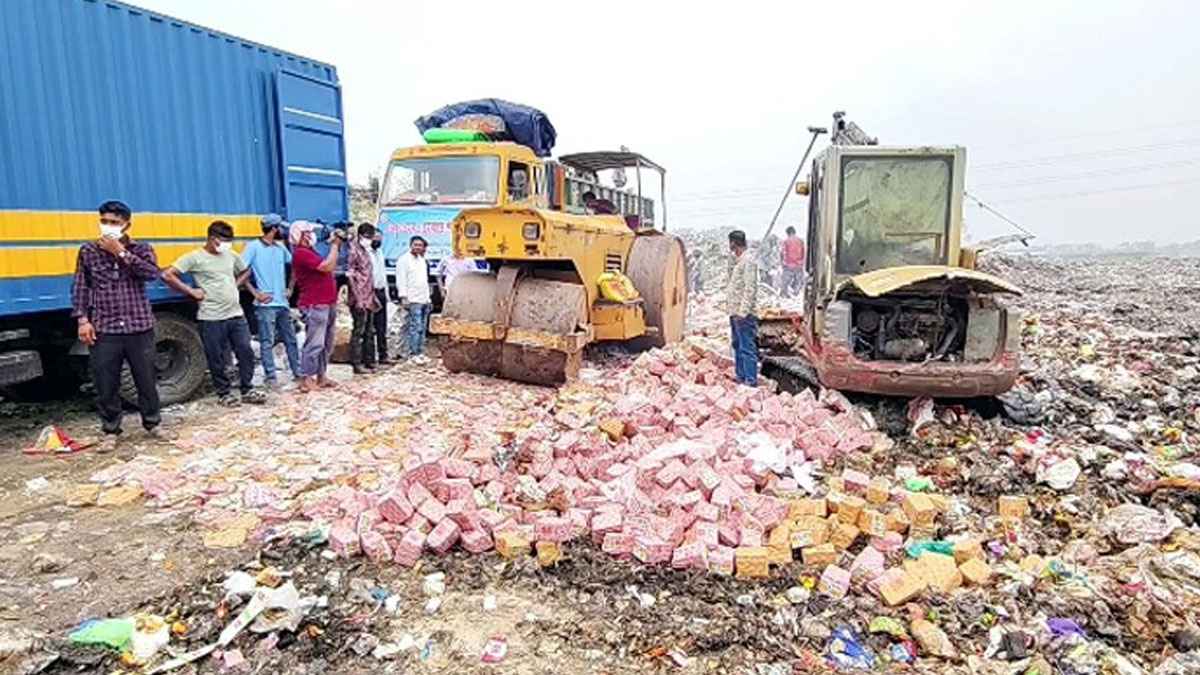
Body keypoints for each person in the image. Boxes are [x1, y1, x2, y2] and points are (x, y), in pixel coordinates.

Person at [71, 200, 165, 451]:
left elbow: (151, 274)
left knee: (145, 378)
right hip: (105, 327)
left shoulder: (142, 249)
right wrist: (82, 319)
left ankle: (153, 423)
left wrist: (120, 253)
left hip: (139, 325)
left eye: (114, 223)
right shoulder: (88, 251)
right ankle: (111, 430)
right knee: (105, 382)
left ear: (126, 225)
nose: (108, 227)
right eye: (105, 222)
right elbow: (81, 287)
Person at [163, 221, 267, 407]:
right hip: (211, 317)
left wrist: (235, 284)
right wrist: (191, 291)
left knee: (245, 351)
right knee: (216, 357)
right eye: (224, 241)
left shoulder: (230, 255)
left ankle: (247, 389)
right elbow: (168, 275)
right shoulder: (195, 257)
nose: (227, 246)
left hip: (236, 314)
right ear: (212, 239)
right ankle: (224, 393)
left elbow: (246, 271)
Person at [241, 213, 302, 386]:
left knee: (290, 338)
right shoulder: (253, 247)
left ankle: (297, 371)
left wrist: (290, 288)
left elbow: (294, 266)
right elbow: (241, 272)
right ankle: (271, 376)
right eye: (280, 228)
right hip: (265, 304)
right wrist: (256, 293)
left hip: (282, 302)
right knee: (267, 341)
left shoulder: (280, 248)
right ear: (274, 229)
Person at [290, 220, 344, 392]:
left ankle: (321, 375)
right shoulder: (301, 253)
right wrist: (335, 246)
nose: (311, 235)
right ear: (300, 235)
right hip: (315, 303)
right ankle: (307, 378)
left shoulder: (310, 251)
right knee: (315, 343)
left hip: (327, 302)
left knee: (326, 343)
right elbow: (327, 266)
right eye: (307, 232)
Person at [725, 230, 759, 386]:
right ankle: (741, 376)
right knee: (737, 345)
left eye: (730, 243)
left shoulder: (748, 261)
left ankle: (750, 381)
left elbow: (749, 289)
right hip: (735, 312)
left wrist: (743, 312)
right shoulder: (738, 261)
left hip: (743, 314)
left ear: (733, 243)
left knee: (746, 347)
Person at [347, 223, 381, 375]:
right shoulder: (353, 251)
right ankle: (357, 363)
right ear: (361, 236)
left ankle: (369, 361)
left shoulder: (366, 252)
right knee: (359, 331)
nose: (371, 240)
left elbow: (368, 277)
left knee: (369, 331)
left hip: (369, 296)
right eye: (369, 237)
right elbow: (351, 276)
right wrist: (358, 298)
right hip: (359, 297)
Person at [395, 235, 432, 364]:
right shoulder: (403, 260)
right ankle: (412, 354)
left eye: (420, 245)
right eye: (415, 245)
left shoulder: (422, 260)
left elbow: (424, 281)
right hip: (412, 299)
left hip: (424, 299)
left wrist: (428, 299)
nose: (418, 247)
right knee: (414, 327)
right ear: (410, 245)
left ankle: (420, 352)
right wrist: (403, 297)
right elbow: (401, 280)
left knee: (422, 327)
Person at [367, 225, 392, 366]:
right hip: (370, 292)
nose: (377, 239)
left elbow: (383, 275)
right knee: (370, 326)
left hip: (381, 291)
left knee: (382, 325)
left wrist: (387, 295)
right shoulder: (366, 253)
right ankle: (370, 359)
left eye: (379, 237)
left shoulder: (380, 253)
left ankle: (383, 356)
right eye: (375, 237)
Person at [781, 225, 806, 298]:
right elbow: (803, 252)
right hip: (799, 265)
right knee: (798, 282)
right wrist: (801, 263)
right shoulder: (801, 241)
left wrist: (783, 263)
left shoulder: (786, 241)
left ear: (788, 233)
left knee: (785, 282)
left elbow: (783, 253)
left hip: (789, 265)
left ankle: (785, 295)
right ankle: (796, 295)